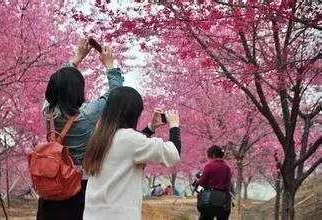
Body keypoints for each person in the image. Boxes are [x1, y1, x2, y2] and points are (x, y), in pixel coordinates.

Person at [37, 39, 124, 220]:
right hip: (80, 185)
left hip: (53, 180)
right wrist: (110, 66)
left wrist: (77, 58)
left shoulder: (48, 111)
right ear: (78, 90)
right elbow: (116, 94)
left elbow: (58, 80)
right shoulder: (87, 113)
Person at [82, 86, 181, 220]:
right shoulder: (130, 140)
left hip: (92, 214)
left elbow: (129, 148)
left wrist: (151, 128)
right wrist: (174, 125)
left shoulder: (99, 137)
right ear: (132, 113)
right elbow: (172, 154)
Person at [197, 145, 232, 220]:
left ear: (213, 155)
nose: (208, 159)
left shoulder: (210, 166)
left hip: (210, 201)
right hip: (224, 202)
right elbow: (228, 183)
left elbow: (202, 182)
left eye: (208, 156)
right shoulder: (228, 168)